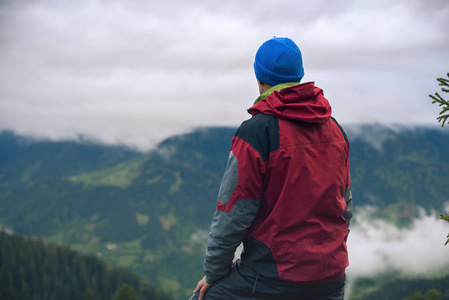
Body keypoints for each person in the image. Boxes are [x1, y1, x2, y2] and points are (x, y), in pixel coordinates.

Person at [190, 37, 352, 300]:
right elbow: (346, 206)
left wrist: (214, 273)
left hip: (271, 277)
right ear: (299, 76)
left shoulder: (257, 132)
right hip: (331, 277)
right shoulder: (335, 129)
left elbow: (233, 212)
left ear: (259, 76)